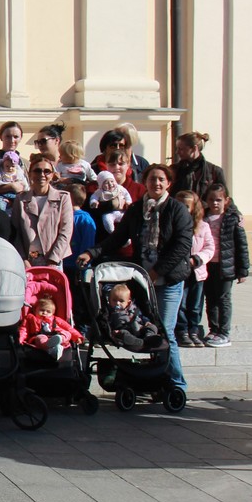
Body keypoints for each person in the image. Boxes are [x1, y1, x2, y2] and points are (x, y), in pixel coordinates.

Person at [78, 164, 194, 397]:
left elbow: (182, 245)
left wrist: (157, 271)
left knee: (166, 331)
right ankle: (155, 380)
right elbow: (117, 238)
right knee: (149, 331)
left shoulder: (177, 209)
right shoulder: (137, 209)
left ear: (168, 183)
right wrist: (92, 252)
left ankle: (177, 384)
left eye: (161, 179)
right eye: (152, 179)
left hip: (168, 280)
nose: (157, 183)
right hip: (144, 282)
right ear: (145, 182)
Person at [200, 184, 247, 348]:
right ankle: (213, 329)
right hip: (207, 265)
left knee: (223, 298)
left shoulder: (232, 219)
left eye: (218, 200)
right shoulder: (202, 218)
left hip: (226, 266)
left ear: (226, 201)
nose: (214, 203)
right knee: (210, 298)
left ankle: (224, 332)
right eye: (211, 199)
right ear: (206, 200)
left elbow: (241, 246)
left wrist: (243, 270)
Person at [10, 154, 73, 267]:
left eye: (47, 171)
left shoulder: (63, 198)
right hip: (27, 261)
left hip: (53, 259)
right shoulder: (20, 199)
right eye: (37, 171)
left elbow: (66, 231)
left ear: (52, 175)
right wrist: (23, 259)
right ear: (30, 174)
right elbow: (16, 231)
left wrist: (53, 260)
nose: (42, 175)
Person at [175, 190, 215, 347]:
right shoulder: (175, 224)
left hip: (197, 271)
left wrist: (198, 259)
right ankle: (182, 331)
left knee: (196, 304)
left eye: (187, 206)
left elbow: (209, 247)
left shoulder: (203, 226)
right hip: (180, 270)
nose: (184, 209)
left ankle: (193, 330)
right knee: (182, 303)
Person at [19, 287, 84, 362]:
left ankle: (58, 342)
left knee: (67, 333)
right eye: (42, 310)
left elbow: (69, 328)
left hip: (56, 335)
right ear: (35, 310)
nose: (45, 313)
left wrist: (77, 336)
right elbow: (24, 330)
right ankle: (51, 348)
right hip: (39, 335)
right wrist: (20, 340)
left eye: (48, 311)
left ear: (53, 313)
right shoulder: (30, 318)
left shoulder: (56, 319)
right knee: (40, 338)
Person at [104, 283, 162, 352]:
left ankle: (149, 337)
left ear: (128, 302)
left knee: (153, 327)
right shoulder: (111, 312)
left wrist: (147, 322)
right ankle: (137, 342)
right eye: (114, 300)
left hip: (140, 329)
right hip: (126, 330)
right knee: (123, 334)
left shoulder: (134, 309)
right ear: (109, 301)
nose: (117, 303)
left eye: (121, 301)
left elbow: (142, 316)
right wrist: (114, 331)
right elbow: (108, 323)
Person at [171, 132, 227, 201]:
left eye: (181, 149)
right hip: (180, 210)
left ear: (194, 148)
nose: (177, 152)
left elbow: (224, 198)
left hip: (204, 211)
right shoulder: (174, 170)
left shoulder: (214, 171)